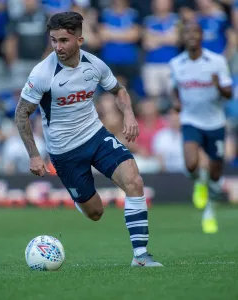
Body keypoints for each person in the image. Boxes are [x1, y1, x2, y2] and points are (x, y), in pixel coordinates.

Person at [15, 12, 162, 267]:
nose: (58, 47)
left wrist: (128, 114)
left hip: (95, 135)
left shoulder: (95, 65)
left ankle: (140, 257)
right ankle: (79, 196)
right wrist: (34, 154)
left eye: (63, 40)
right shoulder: (42, 73)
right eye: (53, 40)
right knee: (96, 213)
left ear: (80, 40)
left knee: (134, 180)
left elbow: (119, 90)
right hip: (64, 152)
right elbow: (21, 114)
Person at [170, 22, 233, 234]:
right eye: (187, 32)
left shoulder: (216, 61)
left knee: (216, 171)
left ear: (201, 36)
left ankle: (210, 212)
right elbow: (174, 89)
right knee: (190, 164)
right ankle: (198, 183)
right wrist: (176, 103)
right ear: (183, 37)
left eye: (195, 32)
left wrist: (218, 85)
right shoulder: (176, 63)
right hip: (191, 120)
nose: (192, 36)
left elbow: (229, 94)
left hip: (215, 122)